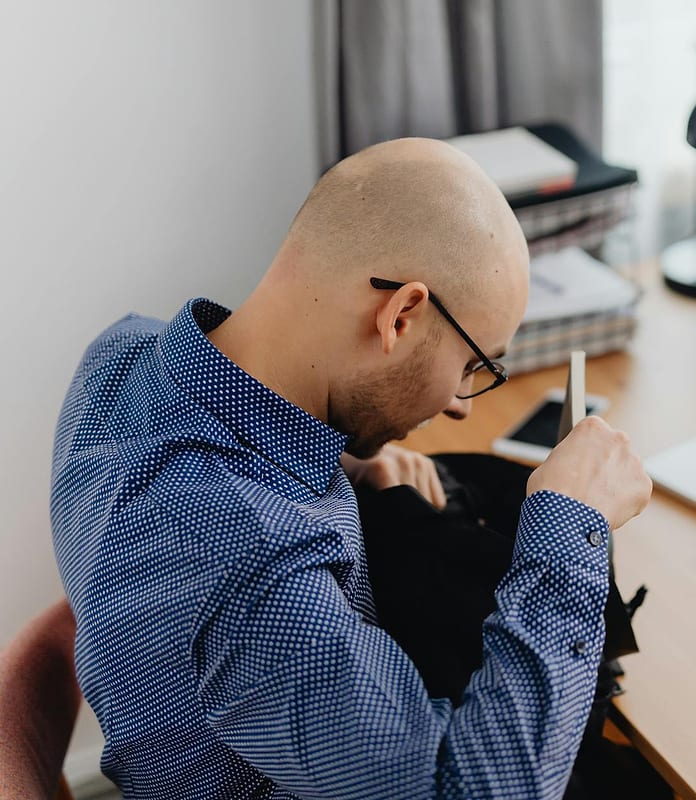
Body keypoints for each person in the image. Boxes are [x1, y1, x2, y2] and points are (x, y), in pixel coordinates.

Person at [49, 138, 653, 799]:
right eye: (473, 365)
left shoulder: (120, 358)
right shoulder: (251, 559)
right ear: (399, 316)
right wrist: (571, 523)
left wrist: (339, 463)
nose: (459, 403)